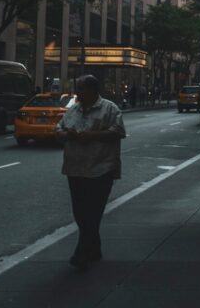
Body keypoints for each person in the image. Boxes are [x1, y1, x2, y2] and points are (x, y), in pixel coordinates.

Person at [55, 75, 126, 271]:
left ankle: (82, 253)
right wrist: (66, 134)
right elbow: (58, 128)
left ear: (93, 90)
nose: (78, 92)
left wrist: (91, 135)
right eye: (77, 88)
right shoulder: (73, 109)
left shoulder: (110, 108)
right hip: (75, 168)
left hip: (101, 168)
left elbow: (118, 131)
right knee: (80, 212)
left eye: (81, 88)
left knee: (93, 212)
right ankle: (94, 248)